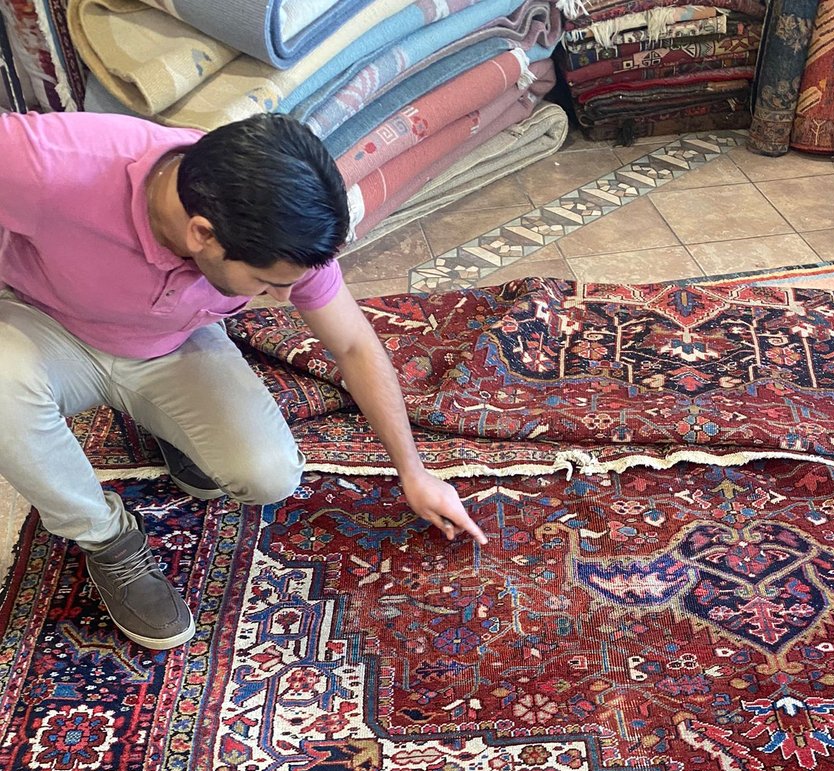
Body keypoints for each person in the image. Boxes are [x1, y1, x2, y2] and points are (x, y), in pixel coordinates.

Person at [0, 110, 486, 650]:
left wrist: (414, 473)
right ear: (201, 234)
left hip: (170, 342)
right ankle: (108, 543)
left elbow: (352, 345)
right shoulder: (50, 162)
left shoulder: (281, 222)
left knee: (268, 475)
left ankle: (164, 426)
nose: (283, 298)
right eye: (265, 283)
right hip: (43, 323)